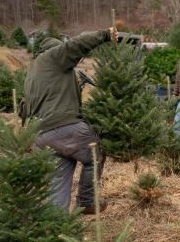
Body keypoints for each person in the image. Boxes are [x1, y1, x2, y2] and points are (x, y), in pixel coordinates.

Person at [21, 27, 118, 214]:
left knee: (58, 180)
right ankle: (87, 201)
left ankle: (57, 228)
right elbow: (77, 44)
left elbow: (25, 107)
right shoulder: (52, 57)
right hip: (63, 127)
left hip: (40, 136)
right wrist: (105, 34)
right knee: (95, 150)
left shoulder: (33, 72)